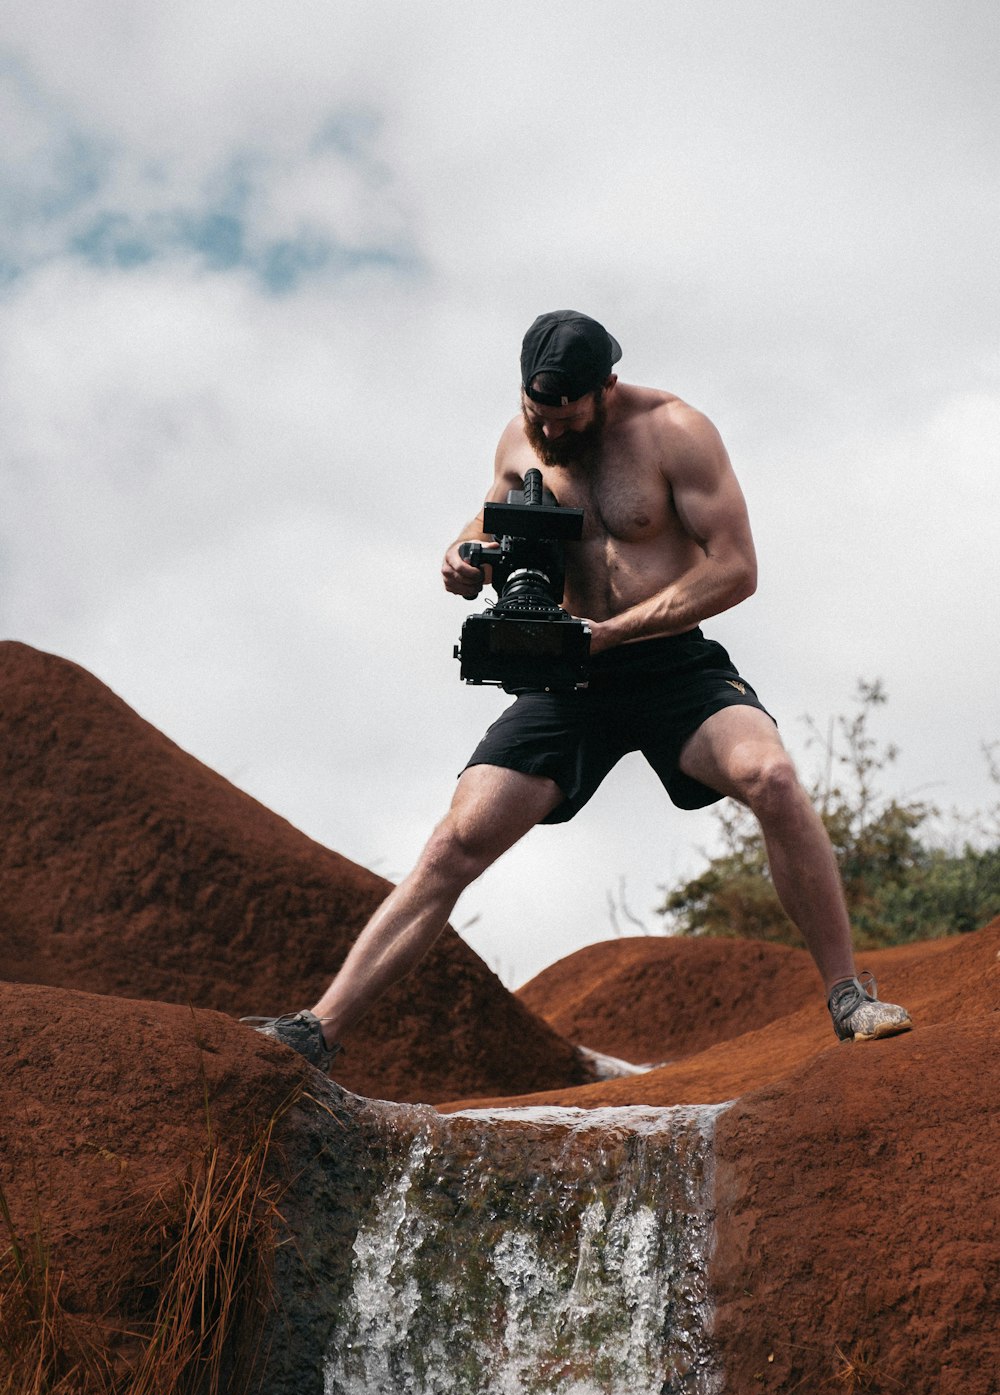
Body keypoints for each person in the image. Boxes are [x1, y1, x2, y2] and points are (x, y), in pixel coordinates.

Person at [242, 310, 912, 1071]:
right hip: (567, 676)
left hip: (670, 667)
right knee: (452, 844)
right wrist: (461, 556)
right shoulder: (522, 435)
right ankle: (317, 1030)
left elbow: (736, 569)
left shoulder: (676, 431)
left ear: (606, 389)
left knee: (775, 778)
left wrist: (619, 632)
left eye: (566, 419)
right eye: (538, 416)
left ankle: (849, 996)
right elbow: (489, 516)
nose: (549, 435)